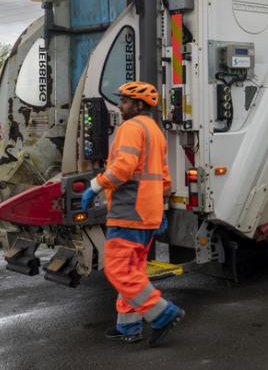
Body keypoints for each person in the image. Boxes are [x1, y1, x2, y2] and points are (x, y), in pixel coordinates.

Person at [81, 81, 185, 346]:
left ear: (139, 105)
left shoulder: (130, 127)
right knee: (134, 270)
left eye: (126, 101)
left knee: (118, 269)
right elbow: (164, 178)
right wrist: (160, 211)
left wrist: (95, 185)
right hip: (147, 213)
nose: (121, 105)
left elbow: (123, 169)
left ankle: (162, 313)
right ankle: (129, 325)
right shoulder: (154, 131)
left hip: (129, 211)